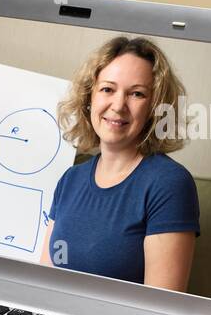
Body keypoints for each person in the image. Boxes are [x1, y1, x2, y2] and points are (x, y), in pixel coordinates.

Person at [39, 36, 200, 291]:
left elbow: (159, 308)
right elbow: (44, 282)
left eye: (137, 94)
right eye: (107, 89)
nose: (118, 105)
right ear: (89, 97)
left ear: (155, 108)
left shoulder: (169, 184)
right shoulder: (70, 179)